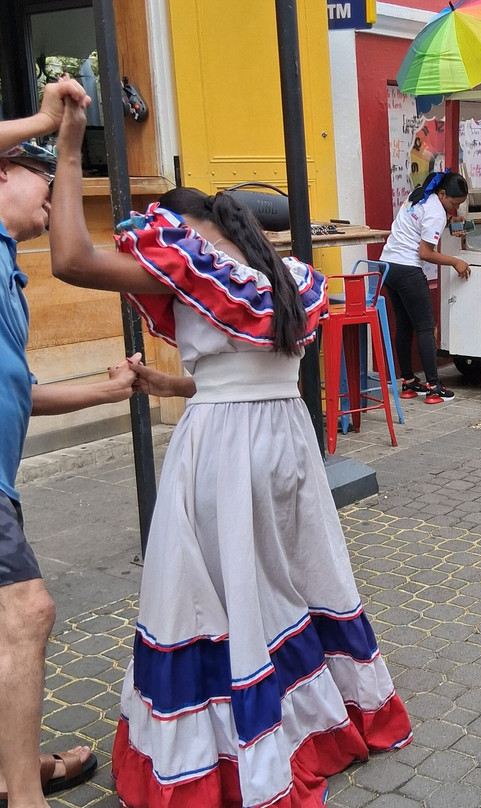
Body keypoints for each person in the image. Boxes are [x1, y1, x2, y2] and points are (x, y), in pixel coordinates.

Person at [48, 98, 413, 808]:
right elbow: (248, 374)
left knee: (208, 598)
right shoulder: (282, 274)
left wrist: (67, 148)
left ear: (184, 226)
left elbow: (69, 258)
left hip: (222, 452)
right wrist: (176, 382)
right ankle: (319, 720)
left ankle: (235, 753)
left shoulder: (187, 263)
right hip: (286, 448)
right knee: (287, 583)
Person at [0, 78, 139, 808]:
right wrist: (51, 122)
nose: (55, 202)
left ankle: (13, 771)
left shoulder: (8, 275)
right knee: (27, 614)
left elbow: (23, 392)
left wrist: (111, 391)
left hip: (4, 484)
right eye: (42, 183)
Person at [380, 170, 470, 404]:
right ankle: (434, 387)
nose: (454, 208)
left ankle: (408, 383)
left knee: (404, 324)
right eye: (453, 203)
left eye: (459, 205)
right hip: (408, 269)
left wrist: (452, 219)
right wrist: (455, 262)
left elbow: (419, 226)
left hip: (387, 265)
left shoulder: (418, 196)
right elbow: (425, 253)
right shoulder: (436, 212)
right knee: (425, 327)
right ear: (442, 194)